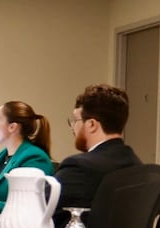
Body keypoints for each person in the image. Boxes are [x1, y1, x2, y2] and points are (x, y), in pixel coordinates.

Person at [56, 84, 143, 212]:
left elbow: (41, 212)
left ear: (91, 124)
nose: (72, 128)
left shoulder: (78, 168)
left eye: (75, 120)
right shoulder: (138, 166)